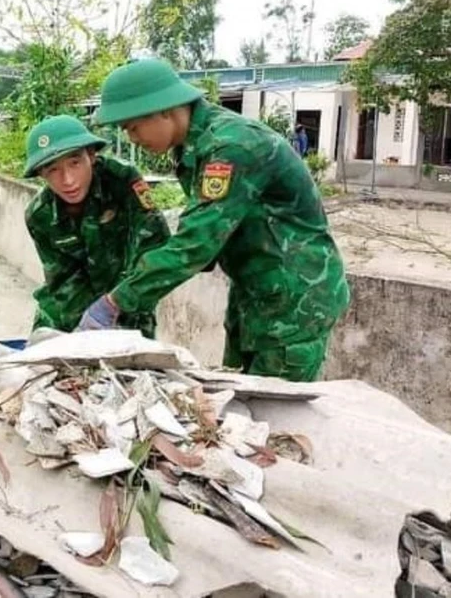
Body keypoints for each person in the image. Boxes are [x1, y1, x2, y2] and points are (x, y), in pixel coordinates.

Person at [77, 59, 349, 382]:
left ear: (164, 109)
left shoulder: (231, 146)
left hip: (295, 302)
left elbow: (196, 246)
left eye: (133, 127)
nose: (132, 138)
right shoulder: (193, 148)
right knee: (239, 401)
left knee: (277, 417)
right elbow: (205, 236)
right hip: (255, 295)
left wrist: (115, 301)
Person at [23, 115, 170, 338]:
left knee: (134, 370)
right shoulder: (40, 216)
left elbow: (154, 246)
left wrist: (118, 303)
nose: (68, 180)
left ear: (91, 156)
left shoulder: (121, 180)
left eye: (75, 163)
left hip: (129, 307)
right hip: (66, 313)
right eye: (52, 170)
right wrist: (81, 332)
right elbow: (63, 282)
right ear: (41, 174)